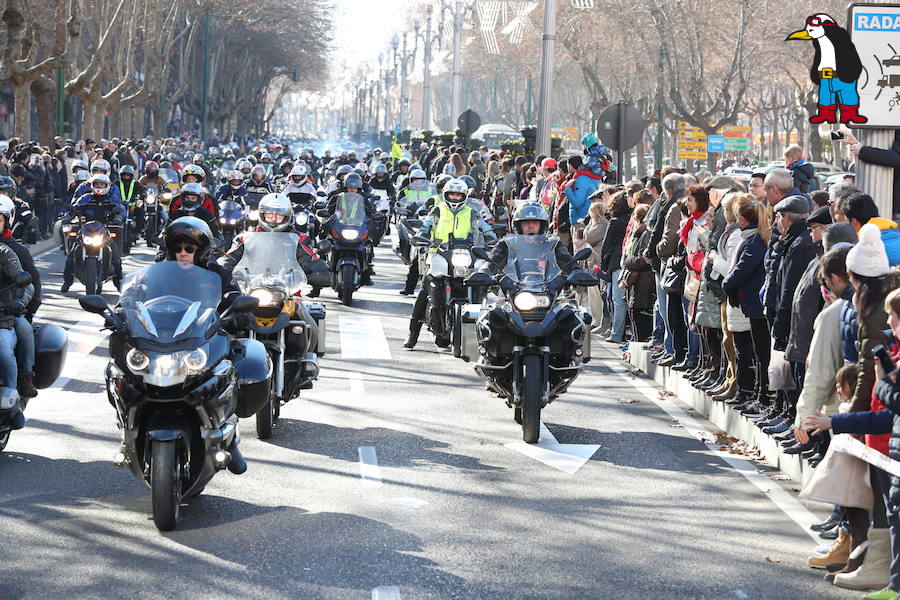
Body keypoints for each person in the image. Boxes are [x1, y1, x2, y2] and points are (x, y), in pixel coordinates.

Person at [159, 216, 246, 473]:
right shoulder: (160, 271)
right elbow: (136, 295)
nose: (183, 253)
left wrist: (235, 314)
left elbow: (233, 296)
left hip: (204, 339)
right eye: (178, 249)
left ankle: (230, 440)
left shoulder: (217, 272)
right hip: (164, 340)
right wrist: (121, 314)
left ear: (201, 250)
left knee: (226, 375)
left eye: (189, 249)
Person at [403, 179, 497, 349]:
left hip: (465, 256)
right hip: (439, 255)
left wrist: (492, 238)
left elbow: (484, 227)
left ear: (464, 196)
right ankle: (412, 333)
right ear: (445, 195)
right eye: (451, 194)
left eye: (458, 195)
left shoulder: (471, 213)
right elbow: (425, 227)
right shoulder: (437, 211)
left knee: (481, 286)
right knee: (425, 290)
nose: (454, 198)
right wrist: (421, 237)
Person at [220, 193, 329, 300]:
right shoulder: (246, 238)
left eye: (278, 215)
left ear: (286, 216)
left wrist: (318, 271)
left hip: (289, 296)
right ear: (262, 214)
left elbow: (309, 259)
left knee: (306, 315)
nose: (273, 218)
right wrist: (223, 267)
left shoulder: (298, 239)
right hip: (250, 292)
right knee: (228, 315)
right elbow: (229, 258)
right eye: (269, 214)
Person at [0, 195, 38, 398]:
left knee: (23, 328)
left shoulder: (14, 250)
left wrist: (21, 305)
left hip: (7, 310)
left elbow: (31, 283)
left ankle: (25, 376)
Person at [61, 174, 124, 293]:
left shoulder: (110, 199)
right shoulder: (85, 198)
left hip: (103, 230)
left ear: (107, 186)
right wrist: (68, 216)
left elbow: (120, 209)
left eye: (102, 184)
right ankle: (67, 281)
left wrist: (118, 217)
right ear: (92, 185)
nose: (99, 186)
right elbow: (74, 208)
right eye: (97, 184)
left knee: (115, 254)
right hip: (85, 230)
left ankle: (118, 281)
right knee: (72, 254)